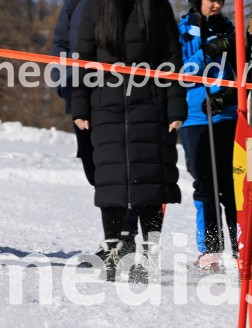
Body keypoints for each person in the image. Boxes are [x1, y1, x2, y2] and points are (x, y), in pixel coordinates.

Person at [72, 0, 187, 282]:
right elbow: (83, 58)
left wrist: (176, 108)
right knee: (110, 182)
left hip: (151, 104)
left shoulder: (157, 6)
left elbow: (172, 57)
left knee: (150, 182)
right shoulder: (95, 7)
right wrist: (80, 105)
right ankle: (113, 251)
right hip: (106, 105)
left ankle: (149, 255)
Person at [50, 0, 139, 263]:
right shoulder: (75, 3)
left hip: (118, 96)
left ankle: (124, 239)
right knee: (95, 170)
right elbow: (61, 44)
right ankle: (115, 237)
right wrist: (66, 84)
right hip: (81, 95)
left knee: (120, 168)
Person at [178, 0, 240, 273]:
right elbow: (181, 73)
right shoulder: (182, 31)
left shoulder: (228, 29)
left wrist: (229, 96)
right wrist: (207, 51)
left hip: (226, 116)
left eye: (221, 0)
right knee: (205, 184)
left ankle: (244, 249)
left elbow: (244, 73)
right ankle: (211, 250)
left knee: (234, 185)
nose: (216, 4)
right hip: (194, 116)